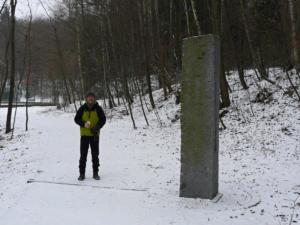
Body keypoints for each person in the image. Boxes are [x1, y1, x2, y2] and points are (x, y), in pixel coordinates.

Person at [74, 92, 106, 181]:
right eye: (89, 97)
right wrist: (83, 124)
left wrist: (97, 127)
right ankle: (82, 174)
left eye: (92, 97)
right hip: (84, 135)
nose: (91, 99)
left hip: (95, 135)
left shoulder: (98, 108)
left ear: (94, 99)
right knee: (83, 155)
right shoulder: (82, 108)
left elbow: (103, 120)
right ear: (86, 99)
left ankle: (95, 173)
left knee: (95, 155)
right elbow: (76, 119)